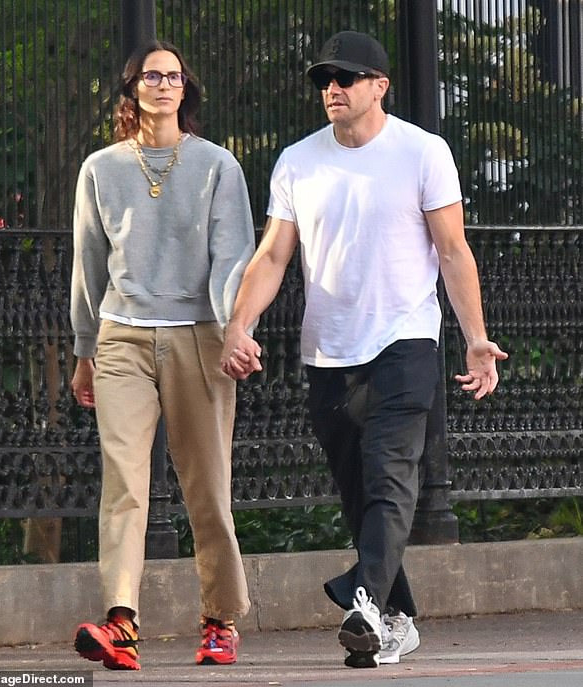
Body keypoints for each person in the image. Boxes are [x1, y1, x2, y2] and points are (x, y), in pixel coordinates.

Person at [221, 30, 508, 669]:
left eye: (347, 78)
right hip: (328, 351)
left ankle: (363, 598)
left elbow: (454, 250)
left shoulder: (423, 152)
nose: (333, 88)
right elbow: (272, 255)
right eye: (326, 78)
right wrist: (239, 324)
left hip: (406, 339)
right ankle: (392, 618)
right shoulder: (299, 160)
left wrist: (476, 339)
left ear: (379, 86)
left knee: (391, 475)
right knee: (359, 492)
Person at [70, 39, 254, 671]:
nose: (164, 84)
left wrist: (235, 329)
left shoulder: (216, 166)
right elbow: (89, 266)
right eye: (152, 75)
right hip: (120, 337)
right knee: (124, 481)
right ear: (132, 91)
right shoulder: (100, 168)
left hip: (198, 337)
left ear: (186, 89)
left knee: (207, 486)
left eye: (174, 76)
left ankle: (220, 619)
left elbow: (234, 256)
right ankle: (122, 620)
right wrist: (84, 348)